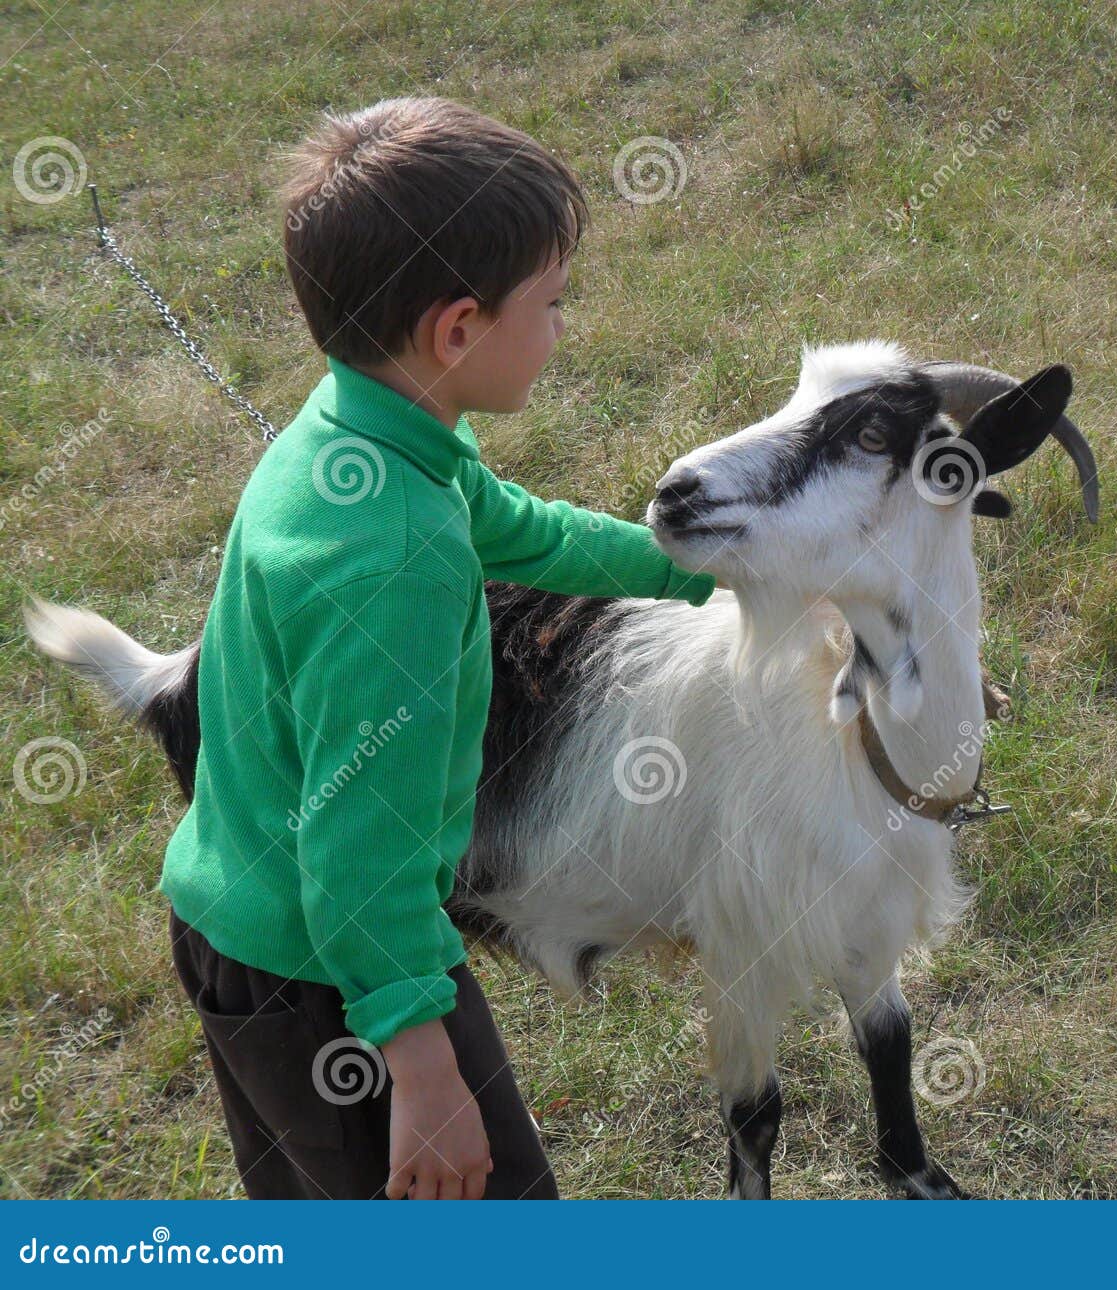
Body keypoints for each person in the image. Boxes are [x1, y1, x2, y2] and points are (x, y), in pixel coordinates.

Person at [162, 96, 714, 1199]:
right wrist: (421, 1065)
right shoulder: (396, 562)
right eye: (552, 303)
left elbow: (526, 531)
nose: (566, 327)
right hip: (335, 973)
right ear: (457, 330)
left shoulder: (361, 433)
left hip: (252, 930)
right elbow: (359, 858)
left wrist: (696, 569)